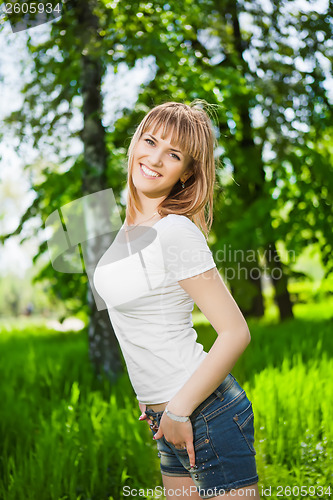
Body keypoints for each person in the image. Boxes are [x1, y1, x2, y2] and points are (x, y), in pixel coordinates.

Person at [93, 101, 260, 499]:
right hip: (165, 416)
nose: (154, 159)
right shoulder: (125, 233)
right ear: (135, 145)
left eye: (173, 154)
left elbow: (236, 332)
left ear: (186, 172)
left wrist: (178, 407)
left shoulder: (174, 231)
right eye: (149, 141)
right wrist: (153, 401)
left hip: (204, 411)